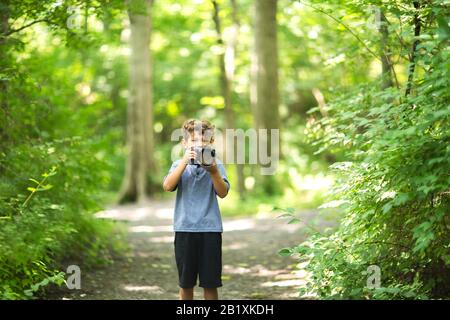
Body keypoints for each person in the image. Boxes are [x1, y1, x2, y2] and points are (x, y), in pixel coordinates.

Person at [163, 119, 230, 300]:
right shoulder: (178, 165)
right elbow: (168, 186)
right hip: (185, 229)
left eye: (203, 141)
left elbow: (222, 193)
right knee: (186, 284)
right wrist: (184, 161)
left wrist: (214, 171)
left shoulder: (217, 165)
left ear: (211, 143)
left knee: (210, 284)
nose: (199, 145)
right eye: (193, 141)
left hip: (210, 230)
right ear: (184, 143)